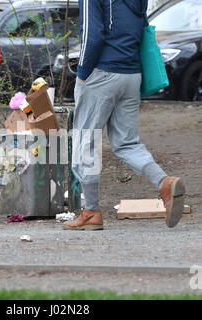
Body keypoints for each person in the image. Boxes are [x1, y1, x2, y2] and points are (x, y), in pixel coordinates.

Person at [63, 0, 185, 231]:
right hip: (131, 75)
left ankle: (90, 212)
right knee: (127, 143)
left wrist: (82, 73)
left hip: (101, 74)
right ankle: (164, 182)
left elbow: (93, 34)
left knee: (84, 140)